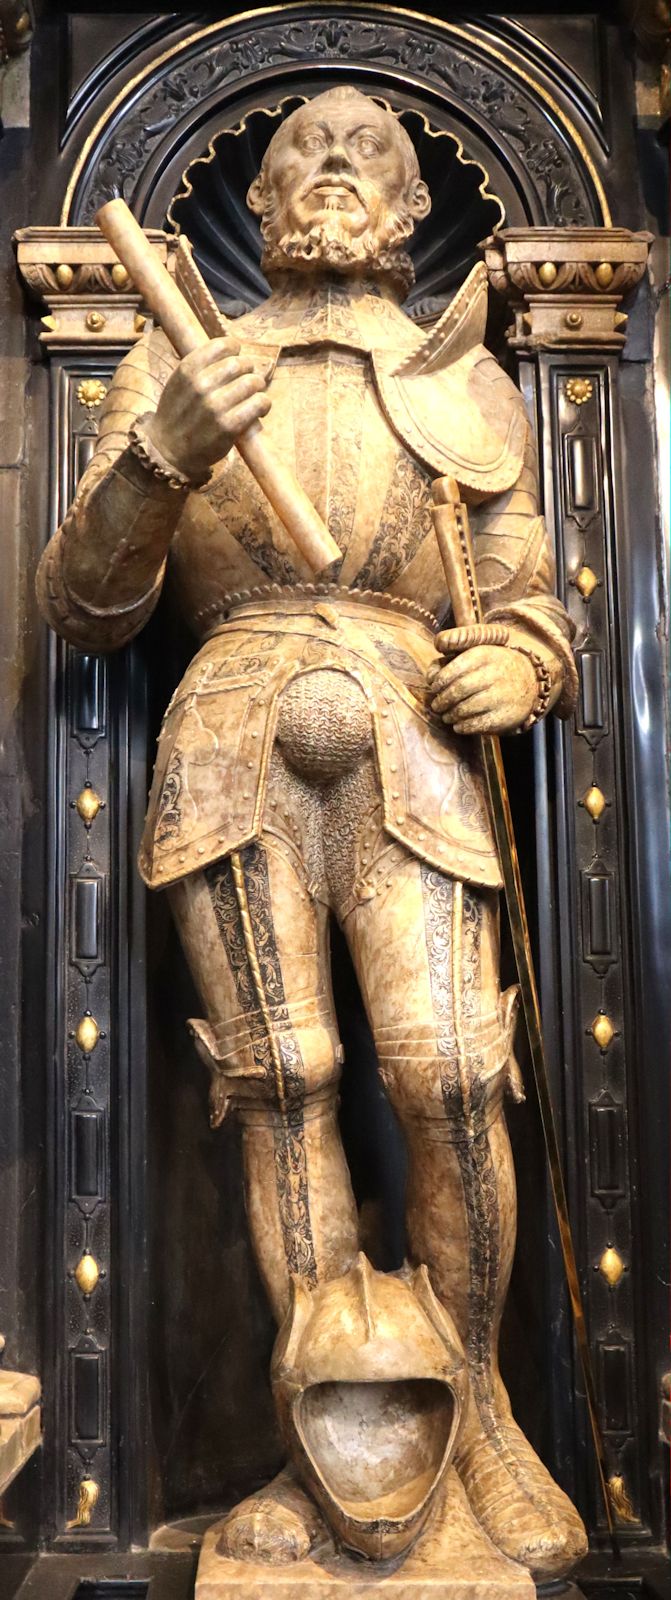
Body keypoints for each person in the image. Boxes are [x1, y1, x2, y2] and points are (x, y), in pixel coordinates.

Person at [37, 86, 585, 1580]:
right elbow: (87, 603)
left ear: (416, 215)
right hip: (234, 731)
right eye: (298, 158)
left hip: (411, 732)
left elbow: (532, 579)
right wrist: (160, 452)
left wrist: (523, 657)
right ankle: (325, 1431)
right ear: (256, 206)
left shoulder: (461, 378)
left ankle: (469, 1412)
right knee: (283, 1079)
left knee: (456, 1075)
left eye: (370, 161)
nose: (331, 174)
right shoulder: (178, 351)